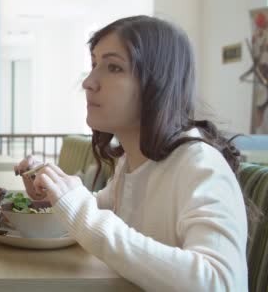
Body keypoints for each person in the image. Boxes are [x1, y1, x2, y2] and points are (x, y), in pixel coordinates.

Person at [15, 16, 248, 291]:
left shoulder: (200, 165)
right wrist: (54, 191)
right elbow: (101, 209)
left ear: (157, 84)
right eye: (93, 65)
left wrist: (79, 208)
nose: (89, 82)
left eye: (114, 67)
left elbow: (220, 282)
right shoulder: (133, 161)